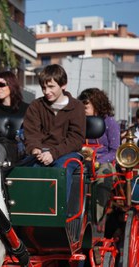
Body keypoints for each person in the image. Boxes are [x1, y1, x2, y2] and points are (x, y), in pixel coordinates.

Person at [23, 64, 86, 201]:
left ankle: (58, 216)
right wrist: (35, 149)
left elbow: (76, 139)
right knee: (29, 171)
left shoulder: (77, 107)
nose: (46, 91)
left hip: (67, 152)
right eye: (44, 88)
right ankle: (28, 213)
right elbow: (31, 133)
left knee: (60, 171)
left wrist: (53, 153)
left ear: (63, 85)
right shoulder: (36, 105)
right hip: (41, 152)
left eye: (51, 87)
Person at [78, 88, 120, 224]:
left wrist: (97, 161)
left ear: (97, 104)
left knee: (103, 177)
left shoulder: (110, 122)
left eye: (86, 105)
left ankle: (95, 220)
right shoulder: (78, 122)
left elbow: (114, 151)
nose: (83, 108)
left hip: (103, 162)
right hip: (80, 160)